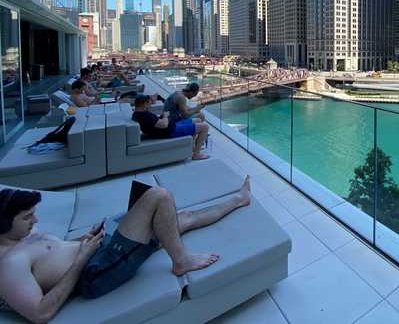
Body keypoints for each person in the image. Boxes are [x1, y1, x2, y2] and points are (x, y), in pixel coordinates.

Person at [0, 177, 251, 322]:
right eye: (27, 217)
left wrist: (83, 239)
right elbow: (40, 313)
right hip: (96, 270)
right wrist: (83, 256)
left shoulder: (23, 238)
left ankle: (239, 199)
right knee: (159, 197)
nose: (35, 221)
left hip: (98, 250)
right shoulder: (9, 264)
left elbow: (54, 254)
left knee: (177, 218)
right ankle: (181, 261)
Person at [132, 94, 210, 160]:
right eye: (149, 103)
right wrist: (165, 116)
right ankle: (196, 154)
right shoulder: (144, 115)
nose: (150, 104)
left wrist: (161, 117)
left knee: (197, 120)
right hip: (170, 131)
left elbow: (155, 123)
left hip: (171, 126)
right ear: (144, 104)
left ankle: (193, 148)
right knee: (205, 127)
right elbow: (163, 125)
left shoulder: (137, 113)